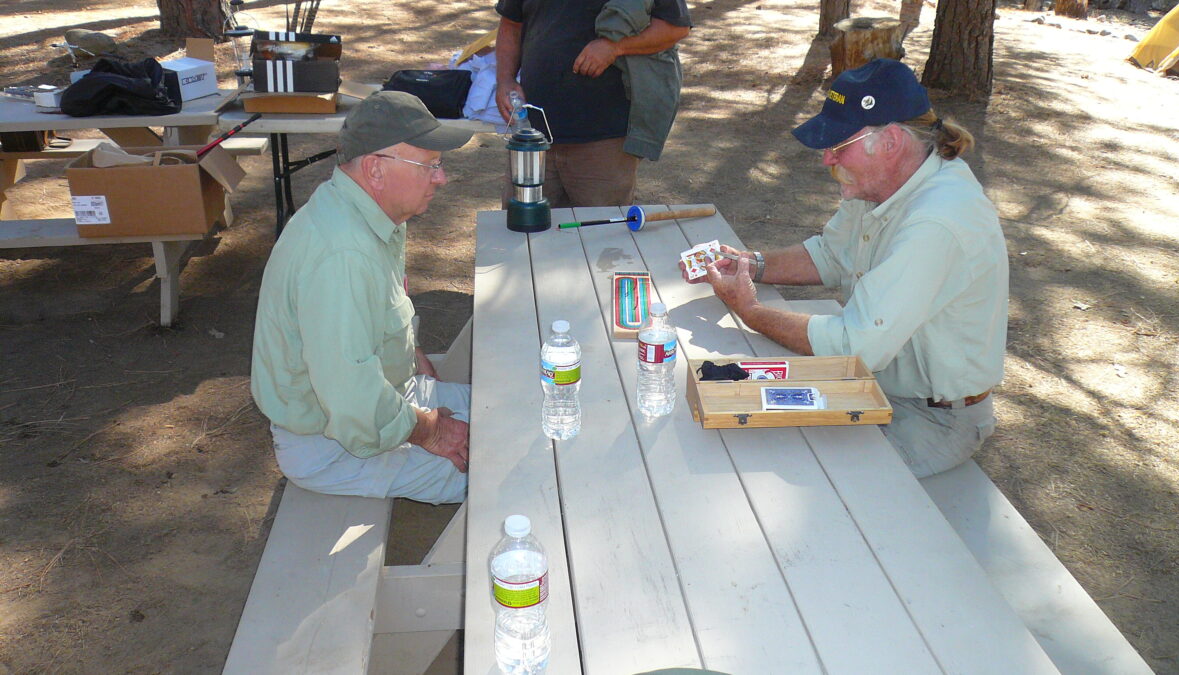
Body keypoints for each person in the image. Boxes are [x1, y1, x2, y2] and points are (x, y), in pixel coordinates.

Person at [689, 59, 1008, 479]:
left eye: (839, 146)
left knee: (787, 474)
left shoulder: (937, 221)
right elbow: (830, 254)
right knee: (734, 434)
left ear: (890, 141)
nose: (826, 159)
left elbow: (852, 347)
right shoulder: (887, 184)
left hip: (934, 418)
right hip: (878, 383)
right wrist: (752, 265)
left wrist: (750, 311)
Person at [250, 91, 473, 503]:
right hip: (335, 443)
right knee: (499, 469)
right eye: (430, 165)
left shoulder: (368, 213)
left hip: (385, 397)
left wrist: (411, 353)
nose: (441, 178)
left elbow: (379, 310)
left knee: (505, 412)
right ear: (375, 169)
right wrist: (432, 431)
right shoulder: (342, 256)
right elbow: (352, 399)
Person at [494, 0, 692, 207]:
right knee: (523, 222)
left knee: (602, 225)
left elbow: (674, 28)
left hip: (604, 138)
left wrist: (614, 47)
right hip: (531, 135)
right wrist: (505, 80)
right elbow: (511, 24)